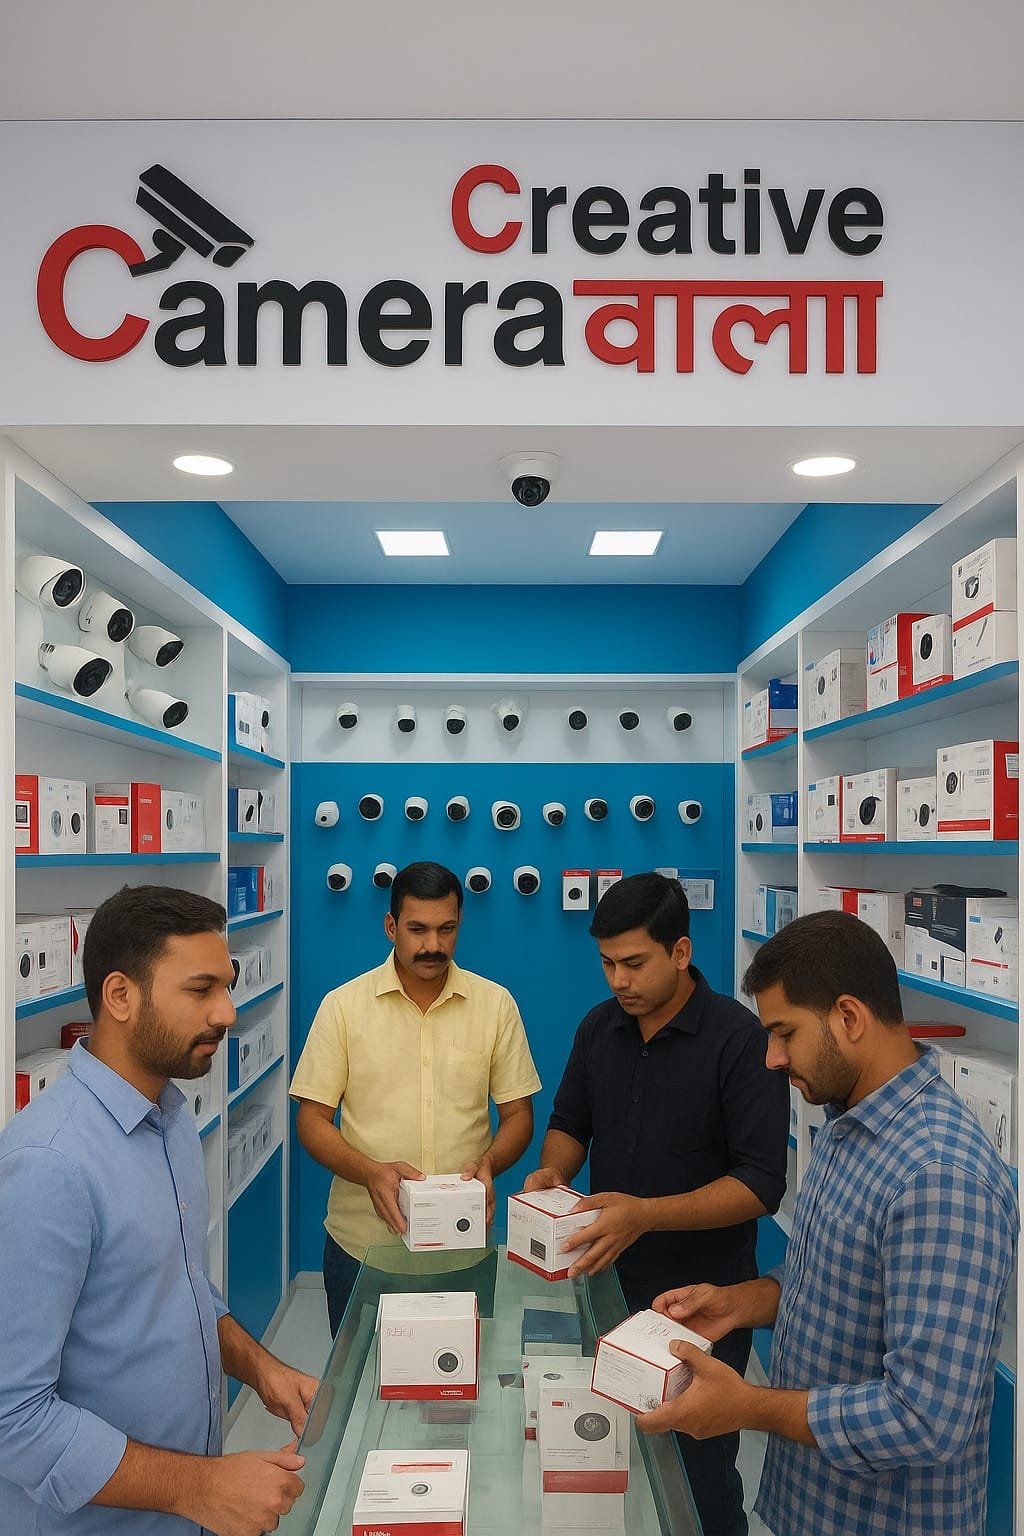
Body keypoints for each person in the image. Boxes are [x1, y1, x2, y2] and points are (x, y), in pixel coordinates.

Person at [638, 910, 1018, 1536]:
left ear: (848, 1017)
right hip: (812, 1505)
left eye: (784, 1033)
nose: (772, 1058)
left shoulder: (939, 1176)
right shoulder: (849, 1122)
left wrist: (749, 1407)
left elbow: (924, 1419)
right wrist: (736, 1304)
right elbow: (829, 1280)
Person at [0, 885, 320, 1536]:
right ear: (120, 996)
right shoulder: (48, 1167)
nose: (227, 1012)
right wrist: (201, 1486)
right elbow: (13, 1417)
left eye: (227, 987)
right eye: (201, 990)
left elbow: (178, 1289)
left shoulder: (169, 1119)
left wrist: (262, 1370)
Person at [523, 872, 789, 1536]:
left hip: (702, 1306)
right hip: (603, 1284)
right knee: (603, 1454)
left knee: (697, 1476)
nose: (619, 980)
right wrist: (553, 1172)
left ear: (680, 951)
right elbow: (569, 1122)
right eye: (607, 963)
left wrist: (645, 1213)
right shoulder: (598, 1027)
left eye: (635, 963)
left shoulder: (740, 1040)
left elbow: (760, 1184)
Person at [291, 860, 541, 1334]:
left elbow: (519, 1115)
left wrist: (489, 1164)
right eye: (417, 929)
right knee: (359, 1377)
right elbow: (312, 1121)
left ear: (460, 923)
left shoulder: (495, 1005)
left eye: (446, 929)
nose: (433, 945)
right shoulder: (343, 1007)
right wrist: (370, 1172)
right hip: (364, 1248)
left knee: (461, 1378)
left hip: (463, 1247)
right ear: (391, 927)